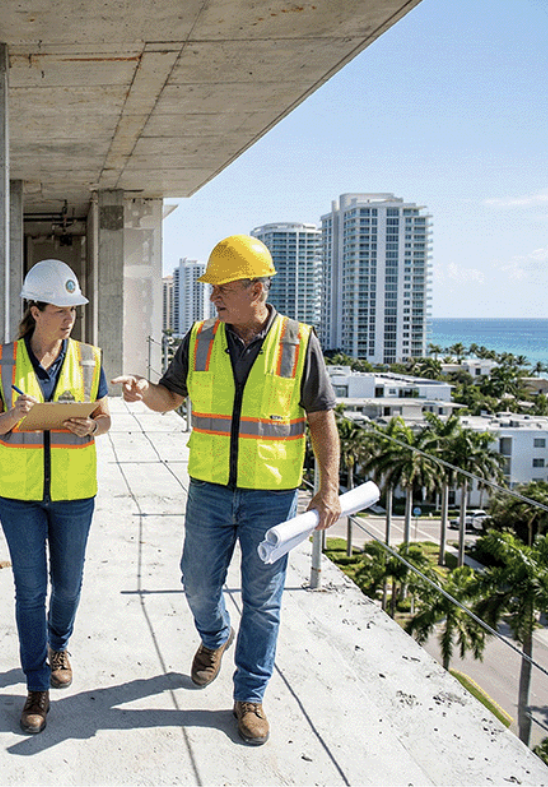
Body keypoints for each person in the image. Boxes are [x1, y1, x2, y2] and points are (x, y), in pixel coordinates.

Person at [112, 234, 340, 746]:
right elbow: (169, 396)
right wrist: (140, 392)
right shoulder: (199, 338)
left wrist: (328, 490)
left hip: (271, 496)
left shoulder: (299, 342)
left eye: (223, 287)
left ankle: (249, 696)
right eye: (212, 287)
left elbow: (322, 418)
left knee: (264, 599)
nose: (213, 296)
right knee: (195, 582)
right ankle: (215, 635)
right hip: (210, 489)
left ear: (256, 289)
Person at [0, 259, 110, 735]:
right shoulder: (2, 358)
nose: (70, 318)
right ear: (35, 310)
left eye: (74, 309)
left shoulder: (91, 357)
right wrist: (14, 414)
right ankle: (37, 686)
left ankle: (60, 644)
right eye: (61, 309)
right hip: (19, 495)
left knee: (69, 585)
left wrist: (93, 425)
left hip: (75, 493)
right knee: (30, 592)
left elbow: (106, 418)